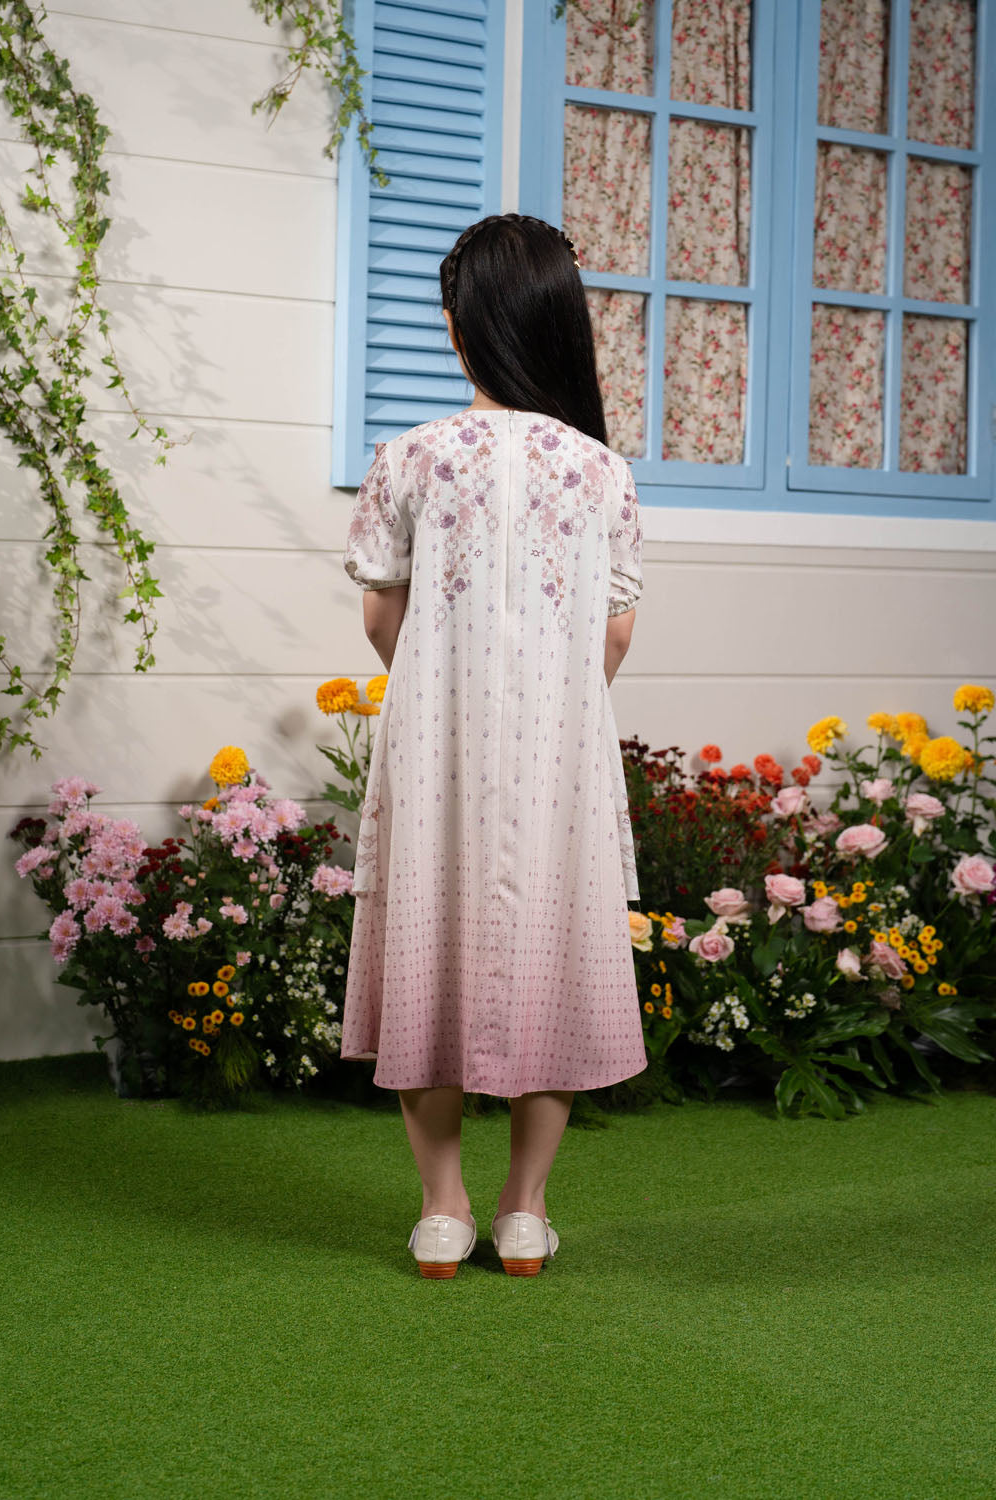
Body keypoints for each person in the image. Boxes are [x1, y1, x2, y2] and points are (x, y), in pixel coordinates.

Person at [340, 212, 647, 1279]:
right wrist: (553, 700)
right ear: (560, 325)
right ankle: (524, 1212)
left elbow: (382, 618)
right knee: (552, 952)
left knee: (427, 943)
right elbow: (614, 633)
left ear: (461, 326)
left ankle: (442, 1212)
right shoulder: (601, 472)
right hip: (561, 752)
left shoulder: (409, 458)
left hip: (435, 744)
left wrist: (438, 682)